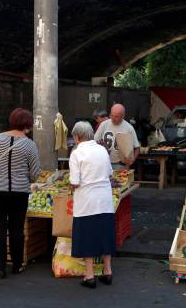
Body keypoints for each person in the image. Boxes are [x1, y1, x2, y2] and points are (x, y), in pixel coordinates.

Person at [0, 108, 40, 278]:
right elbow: (35, 173)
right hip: (19, 192)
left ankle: (0, 268)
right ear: (27, 124)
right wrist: (25, 176)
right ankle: (17, 265)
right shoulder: (30, 144)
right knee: (16, 228)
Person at [69, 122, 115, 288]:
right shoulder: (102, 150)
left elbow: (74, 182)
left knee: (87, 237)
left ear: (76, 137)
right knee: (105, 235)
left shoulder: (76, 153)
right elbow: (110, 173)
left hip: (86, 202)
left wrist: (70, 186)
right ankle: (108, 271)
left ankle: (89, 276)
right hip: (104, 200)